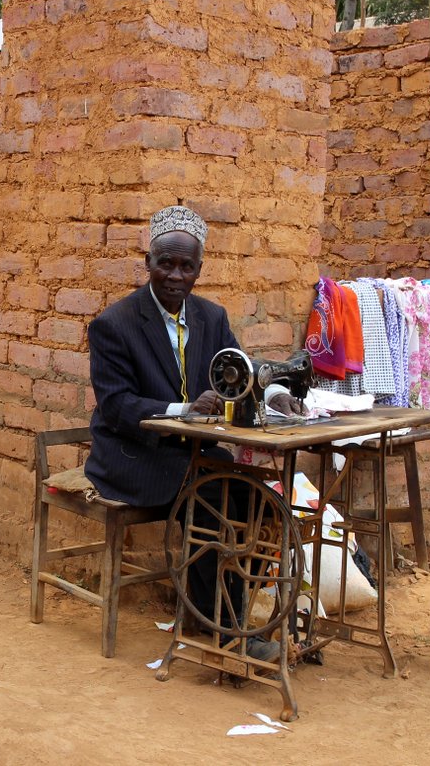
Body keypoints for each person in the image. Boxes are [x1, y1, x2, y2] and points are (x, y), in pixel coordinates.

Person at [85, 205, 302, 661]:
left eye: (186, 266)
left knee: (264, 503)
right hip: (133, 457)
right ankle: (224, 631)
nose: (175, 276)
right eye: (166, 263)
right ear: (148, 263)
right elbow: (117, 406)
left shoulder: (211, 317)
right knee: (213, 500)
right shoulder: (115, 324)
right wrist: (184, 409)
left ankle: (218, 612)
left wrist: (274, 391)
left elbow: (237, 370)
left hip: (192, 455)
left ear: (199, 270)